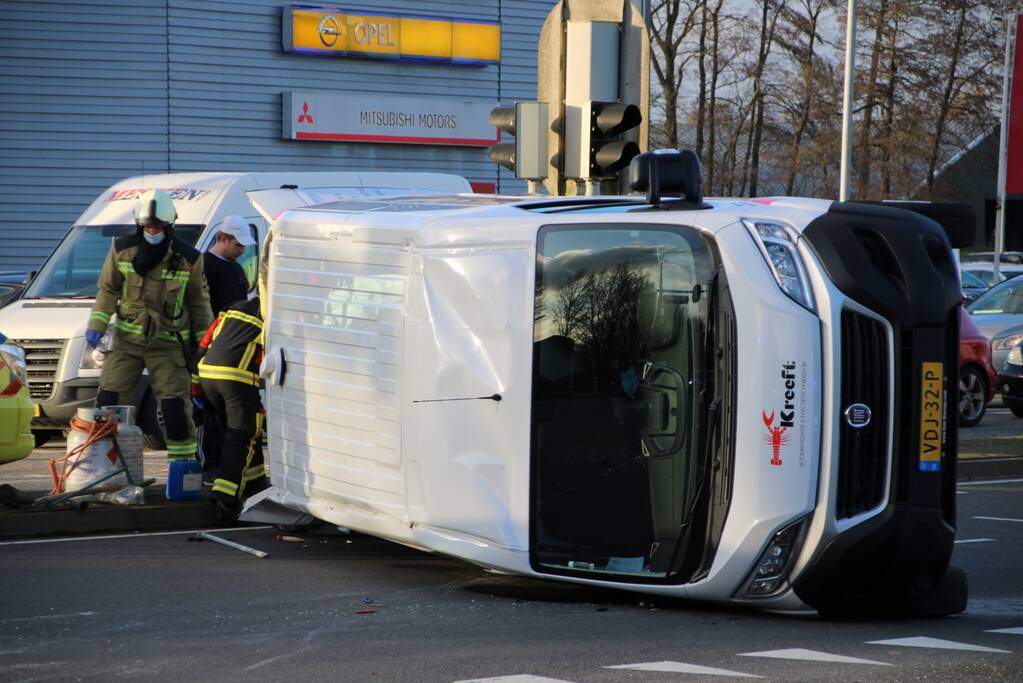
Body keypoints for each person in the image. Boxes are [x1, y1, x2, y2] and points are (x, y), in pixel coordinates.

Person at [85, 189, 212, 462]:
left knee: (174, 409)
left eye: (157, 227)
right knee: (109, 403)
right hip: (126, 343)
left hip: (168, 345)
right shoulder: (122, 250)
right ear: (139, 225)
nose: (152, 231)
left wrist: (205, 345)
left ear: (169, 226)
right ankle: (104, 467)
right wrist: (98, 322)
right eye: (147, 227)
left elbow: (199, 304)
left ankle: (182, 468)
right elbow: (108, 290)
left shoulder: (188, 258)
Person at [194, 295, 267, 522]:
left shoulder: (233, 307)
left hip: (207, 375)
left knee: (239, 435)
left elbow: (204, 344)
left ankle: (257, 487)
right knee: (242, 435)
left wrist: (196, 388)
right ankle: (226, 499)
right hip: (237, 379)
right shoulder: (272, 315)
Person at [203, 215, 255, 317]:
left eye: (244, 246)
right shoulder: (204, 265)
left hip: (233, 328)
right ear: (223, 238)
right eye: (238, 245)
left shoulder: (238, 269)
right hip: (213, 329)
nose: (242, 250)